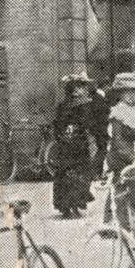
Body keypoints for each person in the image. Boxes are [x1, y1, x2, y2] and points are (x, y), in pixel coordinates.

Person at [103, 70, 135, 254]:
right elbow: (117, 142)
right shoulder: (118, 114)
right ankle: (122, 228)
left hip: (128, 159)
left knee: (131, 192)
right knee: (124, 192)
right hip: (120, 159)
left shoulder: (130, 112)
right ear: (122, 94)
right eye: (130, 92)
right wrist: (133, 158)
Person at [50, 74, 96, 218]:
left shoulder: (63, 106)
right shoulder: (83, 105)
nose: (82, 90)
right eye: (79, 87)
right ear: (73, 89)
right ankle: (74, 205)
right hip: (77, 145)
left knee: (67, 175)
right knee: (78, 174)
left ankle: (68, 207)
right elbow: (86, 124)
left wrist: (62, 138)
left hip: (67, 146)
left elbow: (57, 126)